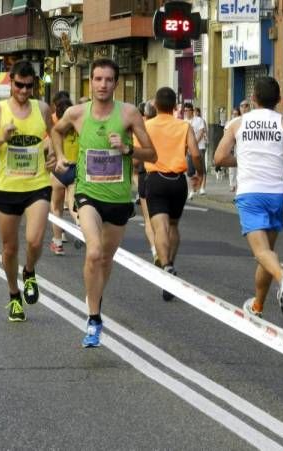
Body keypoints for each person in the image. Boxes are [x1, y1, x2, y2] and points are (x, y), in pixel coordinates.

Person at [51, 58, 156, 347]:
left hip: (119, 198)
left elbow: (152, 154)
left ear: (116, 84)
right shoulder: (76, 113)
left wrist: (126, 148)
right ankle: (94, 317)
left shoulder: (129, 114)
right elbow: (56, 131)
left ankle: (94, 295)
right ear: (91, 82)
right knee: (94, 252)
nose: (102, 85)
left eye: (108, 80)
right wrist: (60, 155)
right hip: (87, 194)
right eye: (98, 79)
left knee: (105, 260)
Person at [214, 76, 283, 318]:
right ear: (279, 100)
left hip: (250, 193)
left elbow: (219, 157)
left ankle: (282, 275)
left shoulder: (237, 123)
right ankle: (258, 306)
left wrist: (241, 160)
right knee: (267, 253)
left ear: (253, 99)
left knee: (262, 254)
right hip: (277, 194)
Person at [0, 60, 55, 322]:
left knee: (34, 240)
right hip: (8, 187)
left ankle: (29, 272)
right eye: (19, 85)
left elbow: (55, 136)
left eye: (29, 86)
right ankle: (13, 296)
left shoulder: (42, 108)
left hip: (37, 184)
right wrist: (1, 139)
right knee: (9, 249)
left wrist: (55, 154)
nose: (23, 90)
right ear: (11, 82)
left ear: (34, 86)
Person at [144, 87, 202, 301]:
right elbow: (195, 153)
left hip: (156, 179)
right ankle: (171, 264)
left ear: (155, 106)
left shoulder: (146, 125)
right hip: (178, 181)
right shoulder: (184, 126)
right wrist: (199, 173)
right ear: (175, 107)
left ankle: (165, 266)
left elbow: (137, 155)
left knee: (160, 227)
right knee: (174, 226)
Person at [48, 97, 78, 256]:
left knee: (57, 209)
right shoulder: (79, 130)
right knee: (73, 206)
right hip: (76, 169)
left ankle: (57, 243)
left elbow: (51, 153)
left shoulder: (56, 131)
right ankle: (79, 224)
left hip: (59, 171)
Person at [134, 100, 158, 265]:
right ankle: (168, 255)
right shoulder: (176, 126)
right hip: (171, 176)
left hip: (146, 174)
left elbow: (135, 161)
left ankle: (155, 250)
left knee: (149, 219)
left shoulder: (141, 130)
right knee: (168, 222)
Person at [183, 102, 207, 199]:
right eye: (184, 111)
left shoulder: (199, 120)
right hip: (189, 149)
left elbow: (201, 132)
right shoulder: (184, 122)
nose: (186, 112)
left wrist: (194, 143)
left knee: (201, 169)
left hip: (200, 147)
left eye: (187, 110)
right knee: (190, 171)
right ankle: (193, 189)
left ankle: (202, 187)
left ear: (192, 111)